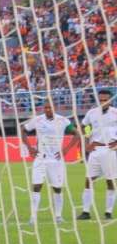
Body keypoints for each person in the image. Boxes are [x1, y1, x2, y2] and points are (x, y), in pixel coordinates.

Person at [21, 99, 80, 225]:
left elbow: (76, 134)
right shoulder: (37, 120)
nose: (48, 110)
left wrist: (66, 149)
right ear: (44, 108)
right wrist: (30, 147)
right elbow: (23, 130)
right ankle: (33, 217)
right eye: (46, 108)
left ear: (55, 108)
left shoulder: (63, 121)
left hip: (56, 160)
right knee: (36, 186)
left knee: (57, 188)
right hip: (40, 158)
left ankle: (58, 216)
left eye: (50, 107)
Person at [78, 89, 117, 220]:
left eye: (105, 100)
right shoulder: (92, 113)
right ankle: (85, 212)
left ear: (110, 100)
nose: (102, 102)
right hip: (95, 150)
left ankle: (108, 212)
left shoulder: (115, 113)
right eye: (100, 100)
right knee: (88, 180)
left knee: (110, 181)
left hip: (109, 150)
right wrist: (87, 139)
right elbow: (83, 126)